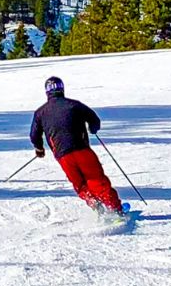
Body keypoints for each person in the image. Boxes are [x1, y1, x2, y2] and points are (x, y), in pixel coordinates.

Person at [30, 75, 123, 213]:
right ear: (62, 89)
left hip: (63, 156)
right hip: (81, 149)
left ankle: (96, 206)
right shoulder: (74, 105)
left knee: (79, 184)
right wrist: (93, 128)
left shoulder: (40, 113)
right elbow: (94, 119)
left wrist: (39, 148)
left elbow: (34, 135)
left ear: (47, 92)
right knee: (96, 179)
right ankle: (115, 210)